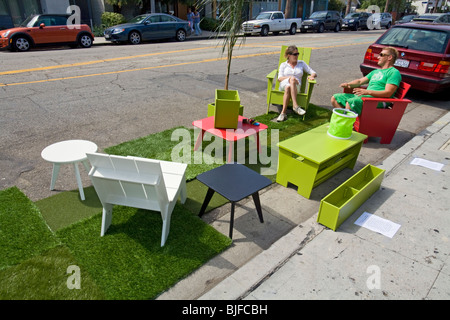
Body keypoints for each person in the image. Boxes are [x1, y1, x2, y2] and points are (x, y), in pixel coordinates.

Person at [331, 46, 401, 115]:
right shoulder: (375, 71)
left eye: (381, 55)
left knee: (351, 102)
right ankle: (348, 120)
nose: (378, 57)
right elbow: (360, 81)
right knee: (335, 98)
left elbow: (388, 93)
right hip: (366, 98)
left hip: (379, 100)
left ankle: (346, 123)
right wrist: (348, 84)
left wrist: (367, 92)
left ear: (389, 57)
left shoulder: (393, 72)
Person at [276, 45, 317, 122]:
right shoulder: (283, 65)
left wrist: (312, 76)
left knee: (288, 87)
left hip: (296, 87)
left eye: (297, 54)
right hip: (283, 85)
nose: (297, 56)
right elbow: (279, 78)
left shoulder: (301, 63)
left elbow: (313, 72)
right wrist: (291, 78)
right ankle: (295, 106)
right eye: (295, 54)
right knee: (291, 80)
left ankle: (283, 113)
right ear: (289, 55)